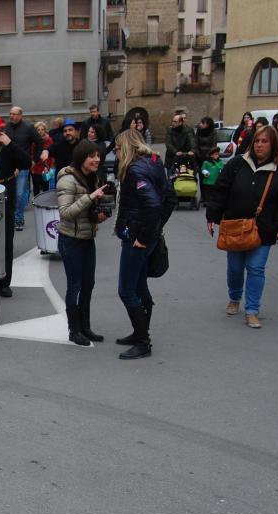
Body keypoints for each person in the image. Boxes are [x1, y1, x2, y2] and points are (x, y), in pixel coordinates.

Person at [206, 126, 278, 329]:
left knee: (256, 268)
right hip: (235, 224)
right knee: (235, 267)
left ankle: (252, 310)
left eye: (265, 141)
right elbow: (221, 190)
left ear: (273, 145)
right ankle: (235, 297)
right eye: (257, 141)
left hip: (263, 229)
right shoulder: (238, 164)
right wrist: (212, 215)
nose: (260, 145)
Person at [113, 130, 174, 359]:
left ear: (126, 147)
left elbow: (153, 205)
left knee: (127, 290)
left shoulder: (135, 170)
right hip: (145, 235)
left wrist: (144, 235)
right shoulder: (154, 163)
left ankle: (143, 341)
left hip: (137, 238)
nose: (116, 154)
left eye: (118, 149)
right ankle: (140, 333)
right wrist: (155, 229)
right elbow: (169, 198)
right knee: (139, 287)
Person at [55, 140, 108, 346]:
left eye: (98, 156)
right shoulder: (67, 180)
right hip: (71, 240)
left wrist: (98, 216)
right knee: (75, 286)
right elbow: (65, 213)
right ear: (82, 158)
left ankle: (85, 327)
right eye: (92, 156)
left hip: (87, 239)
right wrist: (89, 197)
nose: (97, 159)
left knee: (88, 285)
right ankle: (74, 330)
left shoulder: (91, 177)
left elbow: (86, 212)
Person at [0, 113, 30, 297]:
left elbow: (26, 162)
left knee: (5, 240)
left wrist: (10, 144)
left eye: (0, 130)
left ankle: (3, 281)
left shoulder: (8, 148)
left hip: (5, 200)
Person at [4, 106, 47, 231]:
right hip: (7, 167)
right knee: (7, 195)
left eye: (15, 114)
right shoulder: (5, 128)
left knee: (19, 194)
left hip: (22, 166)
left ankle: (18, 219)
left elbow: (39, 142)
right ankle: (9, 219)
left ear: (21, 115)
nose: (12, 116)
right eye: (10, 113)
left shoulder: (28, 128)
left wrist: (35, 160)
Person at [31, 121, 55, 194]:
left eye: (42, 129)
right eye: (38, 129)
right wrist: (32, 167)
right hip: (36, 167)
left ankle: (45, 204)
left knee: (46, 188)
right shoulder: (33, 141)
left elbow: (52, 155)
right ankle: (36, 204)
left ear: (45, 130)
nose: (40, 131)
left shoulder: (49, 140)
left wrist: (50, 167)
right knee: (36, 189)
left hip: (46, 168)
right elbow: (31, 155)